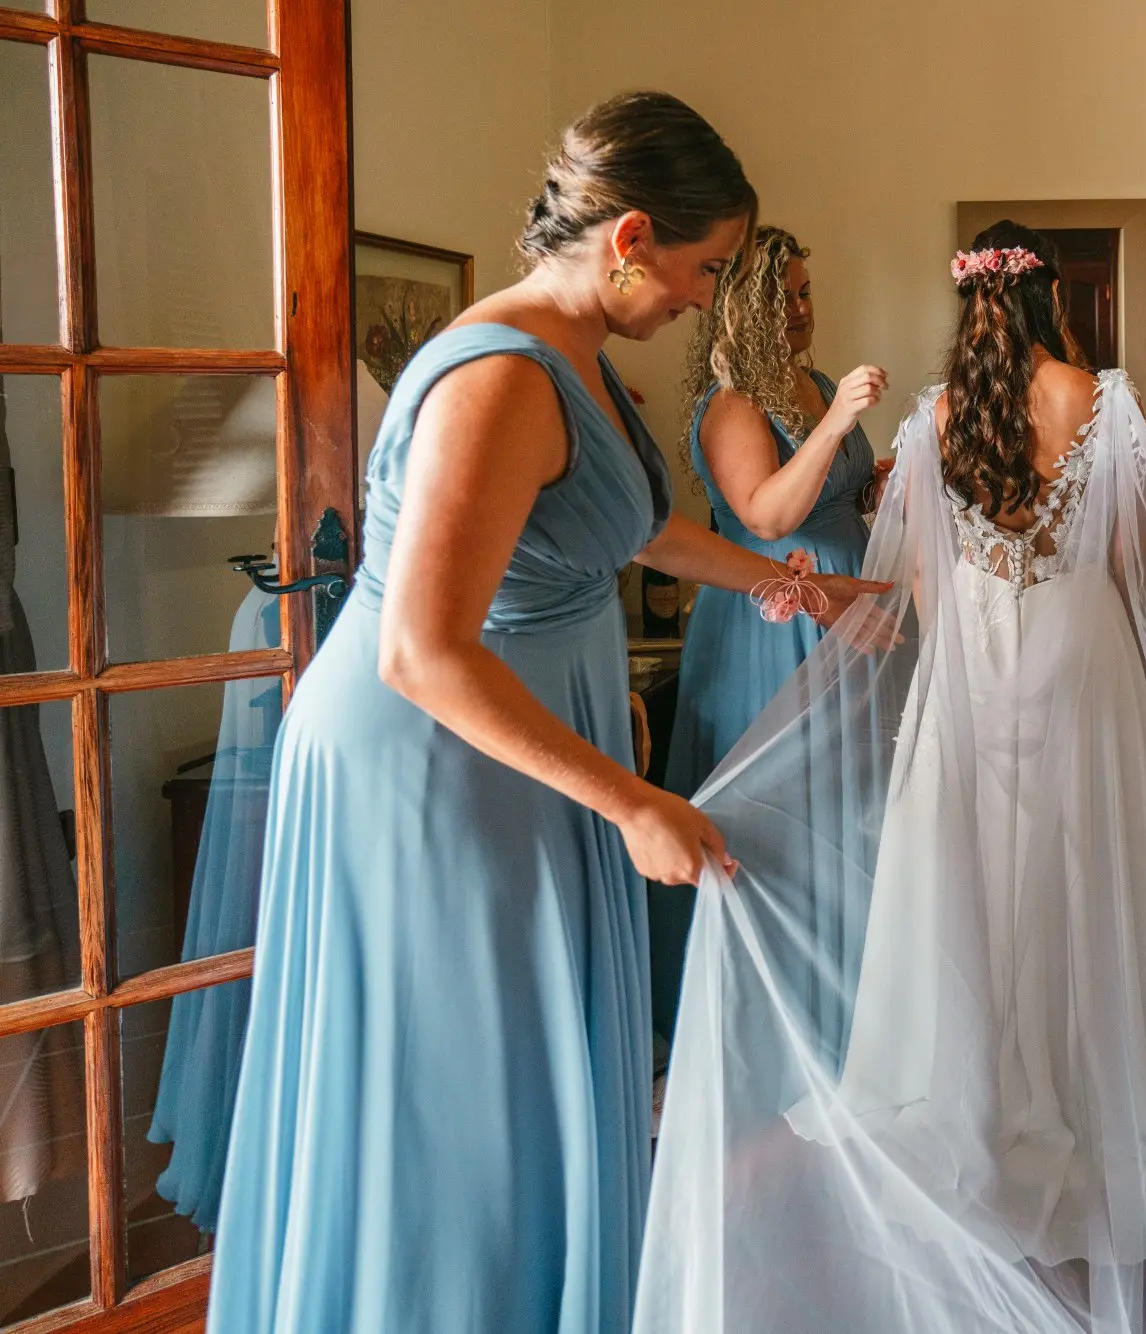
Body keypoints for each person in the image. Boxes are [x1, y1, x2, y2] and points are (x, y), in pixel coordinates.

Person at [205, 92, 886, 1333]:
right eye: (701, 267)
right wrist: (630, 798)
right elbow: (420, 652)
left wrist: (802, 586)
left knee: (524, 1068)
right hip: (433, 756)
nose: (702, 295)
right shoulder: (502, 378)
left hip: (513, 739)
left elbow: (644, 527)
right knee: (460, 1086)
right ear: (630, 237)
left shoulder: (577, 360)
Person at [634, 221, 1146, 1332]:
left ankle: (972, 1095)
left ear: (968, 303)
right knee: (1082, 869)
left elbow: (915, 577)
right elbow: (1127, 551)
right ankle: (1097, 1094)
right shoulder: (1097, 400)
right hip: (1077, 657)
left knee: (968, 873)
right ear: (1049, 295)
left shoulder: (929, 415)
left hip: (969, 671)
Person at [664, 225, 891, 797]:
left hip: (842, 598)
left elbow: (820, 489)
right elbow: (767, 517)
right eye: (780, 297)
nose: (798, 308)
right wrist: (837, 421)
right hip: (773, 614)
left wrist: (872, 487)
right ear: (742, 310)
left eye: (804, 292)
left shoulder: (811, 381)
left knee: (849, 783)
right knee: (792, 790)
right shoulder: (734, 399)